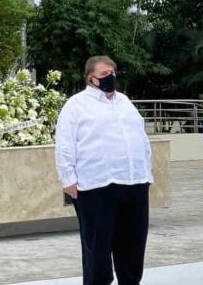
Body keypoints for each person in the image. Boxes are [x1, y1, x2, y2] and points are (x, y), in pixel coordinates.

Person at [54, 56, 153, 285]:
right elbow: (65, 144)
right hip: (96, 186)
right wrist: (68, 179)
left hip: (134, 182)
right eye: (105, 73)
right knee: (97, 250)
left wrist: (146, 172)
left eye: (113, 72)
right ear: (92, 78)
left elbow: (141, 137)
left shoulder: (125, 101)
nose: (111, 77)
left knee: (133, 247)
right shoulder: (76, 104)